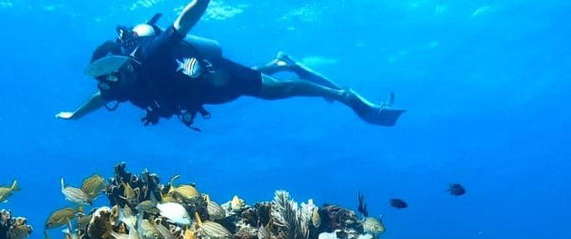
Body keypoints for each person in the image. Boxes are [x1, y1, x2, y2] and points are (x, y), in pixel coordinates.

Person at [55, 0, 404, 130]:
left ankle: (346, 97)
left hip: (214, 80)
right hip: (201, 96)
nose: (113, 82)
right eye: (108, 81)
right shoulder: (117, 85)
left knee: (280, 91)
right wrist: (75, 114)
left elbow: (182, 24)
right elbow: (99, 99)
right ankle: (278, 62)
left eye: (118, 71)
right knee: (257, 78)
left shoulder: (148, 55)